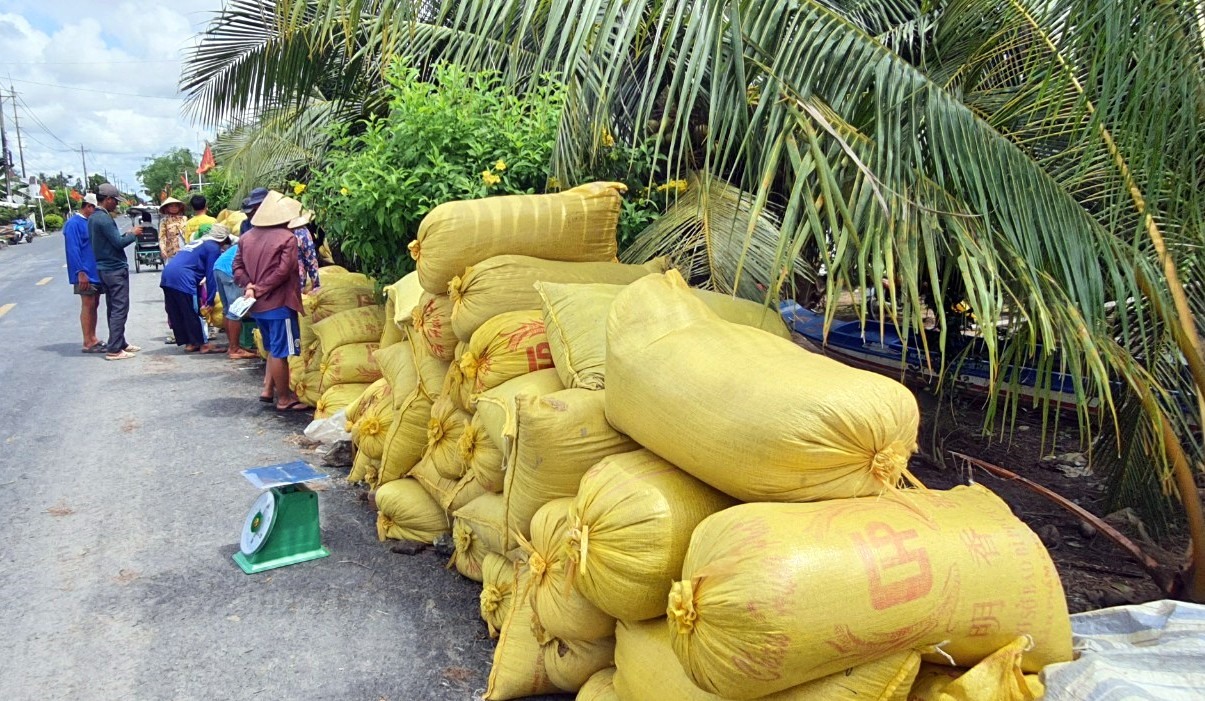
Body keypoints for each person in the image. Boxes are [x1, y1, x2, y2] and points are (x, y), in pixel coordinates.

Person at [234, 191, 308, 411]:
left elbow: (237, 268)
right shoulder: (286, 238)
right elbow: (284, 271)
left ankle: (269, 391)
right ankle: (284, 398)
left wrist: (249, 286)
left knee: (273, 348)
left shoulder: (246, 238)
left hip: (257, 306)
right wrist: (261, 288)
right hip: (279, 303)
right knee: (280, 352)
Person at [89, 183, 142, 361]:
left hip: (104, 268)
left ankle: (119, 342)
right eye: (115, 201)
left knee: (113, 308)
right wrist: (133, 234)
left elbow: (113, 240)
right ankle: (114, 349)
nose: (116, 205)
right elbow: (118, 244)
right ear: (108, 199)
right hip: (114, 269)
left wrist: (126, 234)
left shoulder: (94, 217)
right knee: (120, 308)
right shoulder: (103, 219)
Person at [161, 224, 233, 353]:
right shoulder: (213, 247)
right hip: (183, 278)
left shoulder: (198, 242)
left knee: (180, 311)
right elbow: (211, 275)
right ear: (222, 239)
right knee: (193, 311)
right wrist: (210, 301)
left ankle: (191, 343)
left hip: (167, 275)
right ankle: (203, 344)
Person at [64, 193, 105, 352]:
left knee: (95, 303)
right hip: (84, 272)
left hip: (95, 272)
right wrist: (80, 272)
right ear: (88, 206)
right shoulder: (73, 224)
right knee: (88, 304)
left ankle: (93, 337)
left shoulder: (90, 222)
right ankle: (87, 341)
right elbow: (72, 250)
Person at [212, 232, 258, 360]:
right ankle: (234, 348)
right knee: (236, 311)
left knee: (228, 310)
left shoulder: (248, 241)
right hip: (230, 270)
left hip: (219, 268)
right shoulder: (257, 244)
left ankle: (232, 346)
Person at [158, 197, 187, 261]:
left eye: (176, 206)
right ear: (167, 208)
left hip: (185, 249)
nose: (174, 208)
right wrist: (163, 250)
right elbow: (162, 237)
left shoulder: (184, 219)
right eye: (171, 206)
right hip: (171, 251)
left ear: (179, 207)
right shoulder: (164, 221)